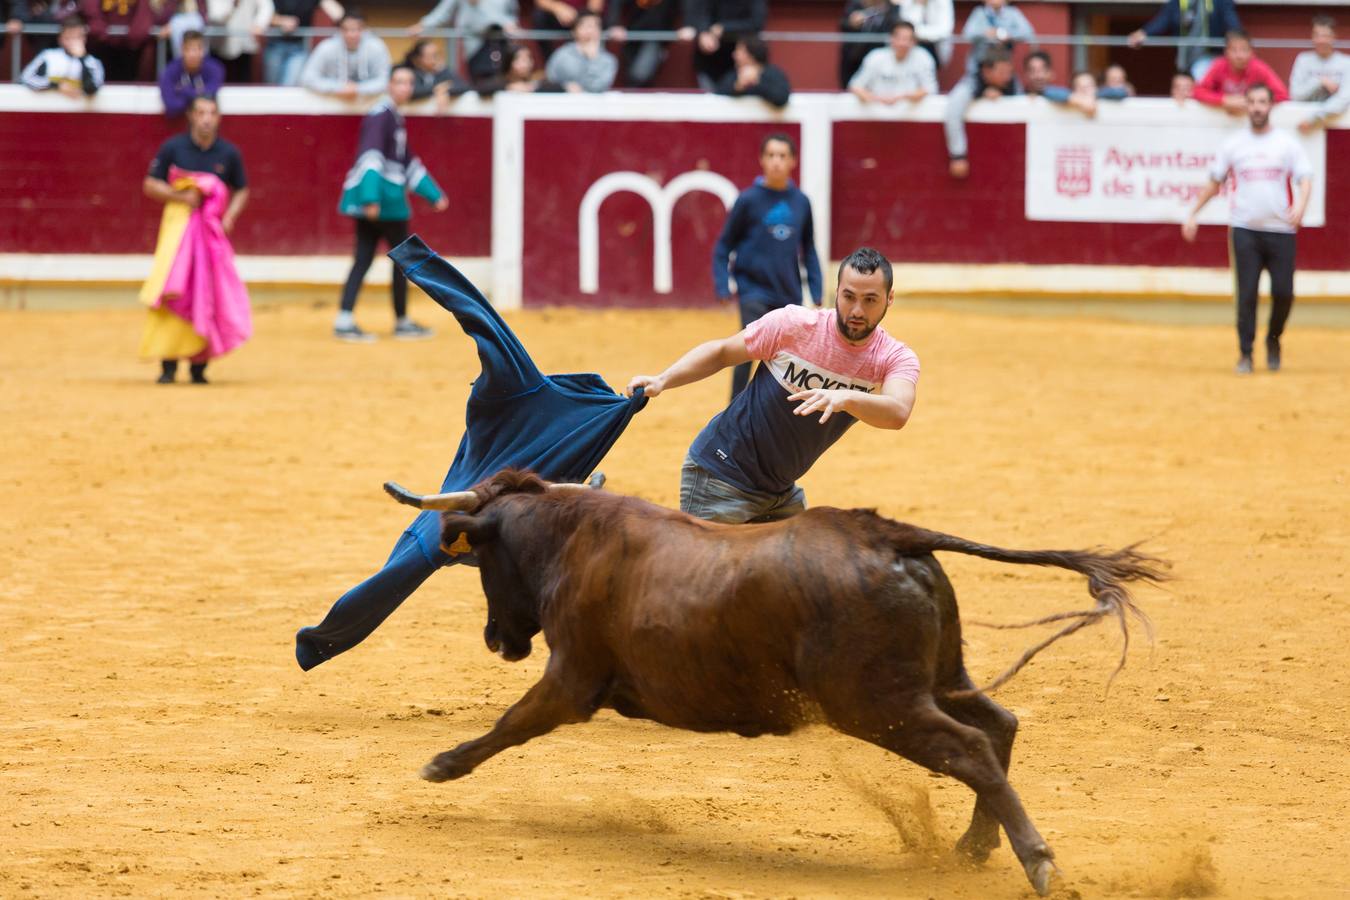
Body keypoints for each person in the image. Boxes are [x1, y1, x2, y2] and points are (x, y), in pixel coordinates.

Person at [624, 247, 918, 524]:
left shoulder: (892, 357)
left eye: (870, 300)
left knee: (799, 577)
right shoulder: (792, 325)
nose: (856, 310)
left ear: (889, 298)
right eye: (848, 296)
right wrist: (662, 379)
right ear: (836, 291)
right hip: (721, 474)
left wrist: (845, 398)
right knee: (705, 578)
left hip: (778, 492)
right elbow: (723, 352)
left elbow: (898, 411)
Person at [1182, 84, 1312, 374]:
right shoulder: (1234, 144)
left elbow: (1305, 177)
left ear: (1270, 106)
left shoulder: (1286, 143)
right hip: (1245, 230)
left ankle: (1274, 339)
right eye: (1251, 102)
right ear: (1246, 106)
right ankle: (1246, 354)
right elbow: (1215, 182)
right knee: (1247, 294)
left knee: (1283, 293)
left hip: (1281, 230)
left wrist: (1301, 205)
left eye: (1262, 102)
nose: (1256, 107)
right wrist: (1193, 213)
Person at [140, 95, 252, 385]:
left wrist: (229, 216)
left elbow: (242, 189)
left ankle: (199, 367)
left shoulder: (228, 153)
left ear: (218, 118)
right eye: (200, 112)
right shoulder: (173, 148)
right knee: (174, 291)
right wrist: (181, 196)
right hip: (177, 236)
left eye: (211, 113)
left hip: (210, 238)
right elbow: (150, 185)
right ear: (191, 115)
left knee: (207, 292)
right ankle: (168, 365)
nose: (206, 118)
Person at [334, 65, 450, 342]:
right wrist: (371, 197)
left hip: (382, 201)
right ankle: (400, 321)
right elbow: (371, 157)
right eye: (399, 82)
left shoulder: (391, 116)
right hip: (386, 203)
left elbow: (406, 162)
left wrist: (433, 194)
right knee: (402, 262)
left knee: (363, 259)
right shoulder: (382, 116)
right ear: (389, 85)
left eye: (409, 82)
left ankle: (345, 318)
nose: (405, 88)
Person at [711, 133, 822, 399]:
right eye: (771, 155)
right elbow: (723, 246)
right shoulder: (748, 201)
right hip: (753, 290)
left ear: (793, 161)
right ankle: (733, 408)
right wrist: (722, 284)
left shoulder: (801, 202)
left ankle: (774, 409)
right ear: (762, 160)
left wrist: (817, 291)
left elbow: (809, 249)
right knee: (746, 348)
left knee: (786, 356)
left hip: (788, 291)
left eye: (782, 156)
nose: (776, 162)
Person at [944, 45, 1019, 179]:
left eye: (1009, 72)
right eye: (1002, 72)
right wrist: (958, 154)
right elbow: (953, 111)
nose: (1007, 77)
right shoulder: (972, 82)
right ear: (986, 71)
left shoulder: (1013, 82)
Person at [1127, 0, 1240, 81]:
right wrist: (1143, 33)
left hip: (1211, 56)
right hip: (1184, 58)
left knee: (1201, 74)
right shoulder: (1176, 3)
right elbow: (1162, 20)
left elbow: (1232, 24)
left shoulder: (1221, 1)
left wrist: (1237, 42)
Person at [299, 9, 390, 98]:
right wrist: (337, 88)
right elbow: (308, 78)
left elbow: (385, 80)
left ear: (364, 30)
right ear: (339, 30)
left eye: (356, 29)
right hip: (332, 104)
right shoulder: (327, 47)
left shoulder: (377, 47)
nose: (351, 34)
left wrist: (359, 89)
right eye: (346, 29)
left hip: (368, 105)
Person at [1193, 30, 1289, 114]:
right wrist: (1224, 100)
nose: (1239, 56)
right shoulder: (1219, 65)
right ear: (1226, 52)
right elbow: (1198, 91)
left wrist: (1253, 101)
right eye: (1234, 50)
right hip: (1222, 120)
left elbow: (1282, 95)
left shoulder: (1259, 68)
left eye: (1244, 50)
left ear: (1252, 52)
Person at [79, 0, 172, 81]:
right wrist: (100, 28)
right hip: (101, 45)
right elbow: (91, 13)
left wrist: (137, 30)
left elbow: (147, 16)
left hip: (134, 48)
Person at [849, 19, 937, 105]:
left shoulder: (923, 57)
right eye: (899, 38)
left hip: (911, 114)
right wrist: (877, 100)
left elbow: (930, 89)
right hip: (876, 114)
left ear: (914, 41)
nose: (903, 43)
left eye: (907, 39)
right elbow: (855, 86)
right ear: (891, 39)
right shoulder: (875, 57)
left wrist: (903, 97)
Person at [686, 0, 766, 92]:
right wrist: (703, 32)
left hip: (741, 63)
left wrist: (725, 28)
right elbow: (701, 12)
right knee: (713, 99)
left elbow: (756, 23)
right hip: (709, 61)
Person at [1290, 16, 1350, 133]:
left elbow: (1344, 98)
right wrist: (1319, 81)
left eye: (1325, 36)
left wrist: (1314, 118)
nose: (1321, 40)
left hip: (1336, 125)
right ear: (1312, 37)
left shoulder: (1346, 62)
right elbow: (1295, 95)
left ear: (1334, 37)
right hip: (1303, 127)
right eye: (1317, 35)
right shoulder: (1303, 60)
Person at [20, 14, 104, 95]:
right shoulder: (48, 56)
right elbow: (26, 78)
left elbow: (92, 89)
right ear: (60, 39)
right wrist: (56, 85)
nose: (73, 42)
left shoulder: (93, 62)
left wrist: (82, 58)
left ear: (84, 39)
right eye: (68, 38)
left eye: (77, 37)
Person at [408, 0, 516, 63]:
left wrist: (510, 24)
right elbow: (443, 12)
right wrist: (423, 25)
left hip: (502, 39)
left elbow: (511, 14)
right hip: (475, 42)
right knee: (483, 80)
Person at [265, 0, 343, 85]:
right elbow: (264, 15)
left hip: (299, 47)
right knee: (271, 85)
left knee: (290, 84)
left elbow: (338, 13)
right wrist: (281, 21)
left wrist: (345, 23)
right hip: (275, 45)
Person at [603, 0, 680, 88]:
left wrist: (686, 25)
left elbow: (687, 7)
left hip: (657, 37)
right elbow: (616, 4)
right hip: (632, 36)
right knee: (633, 74)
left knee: (639, 74)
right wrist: (614, 24)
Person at [544, 11, 617, 93]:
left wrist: (593, 59)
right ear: (574, 31)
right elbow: (550, 80)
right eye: (586, 26)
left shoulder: (608, 60)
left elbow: (598, 88)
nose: (590, 31)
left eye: (595, 27)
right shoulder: (562, 54)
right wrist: (564, 87)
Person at [158, 30, 224, 117]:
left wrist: (183, 91)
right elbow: (171, 106)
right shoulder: (170, 71)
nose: (194, 54)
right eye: (189, 49)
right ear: (182, 49)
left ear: (204, 50)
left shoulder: (215, 69)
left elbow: (210, 96)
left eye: (198, 48)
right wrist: (198, 94)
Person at [960, 0, 1033, 75]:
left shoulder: (1013, 12)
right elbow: (967, 34)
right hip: (978, 67)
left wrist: (1009, 35)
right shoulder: (979, 12)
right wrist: (985, 33)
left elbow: (1028, 32)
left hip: (1004, 67)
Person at [838, 0, 899, 89]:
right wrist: (852, 23)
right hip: (854, 56)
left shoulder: (892, 7)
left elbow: (895, 29)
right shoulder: (856, 5)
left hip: (879, 55)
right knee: (850, 85)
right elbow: (842, 24)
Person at [206, 0, 272, 83]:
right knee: (218, 86)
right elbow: (215, 17)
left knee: (243, 88)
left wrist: (259, 24)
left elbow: (266, 7)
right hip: (220, 48)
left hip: (245, 47)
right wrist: (233, 4)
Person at [714, 35, 789, 106]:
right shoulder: (733, 75)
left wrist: (757, 83)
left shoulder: (773, 74)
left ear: (752, 54)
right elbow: (717, 95)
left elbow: (781, 98)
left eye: (740, 51)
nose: (734, 55)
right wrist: (738, 86)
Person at [403, 38, 468, 111]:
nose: (436, 58)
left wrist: (445, 89)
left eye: (437, 54)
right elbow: (412, 91)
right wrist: (437, 89)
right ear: (418, 59)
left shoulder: (443, 71)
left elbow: (463, 86)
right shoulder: (410, 73)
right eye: (432, 55)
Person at [532, 0, 603, 59]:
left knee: (591, 24)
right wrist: (558, 8)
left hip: (584, 16)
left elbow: (595, 6)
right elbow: (541, 1)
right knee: (539, 16)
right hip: (557, 15)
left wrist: (579, 18)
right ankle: (550, 61)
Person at [898, 0, 953, 69]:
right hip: (911, 48)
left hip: (935, 48)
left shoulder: (943, 2)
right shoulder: (908, 2)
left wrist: (916, 34)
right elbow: (906, 27)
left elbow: (944, 31)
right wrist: (918, 6)